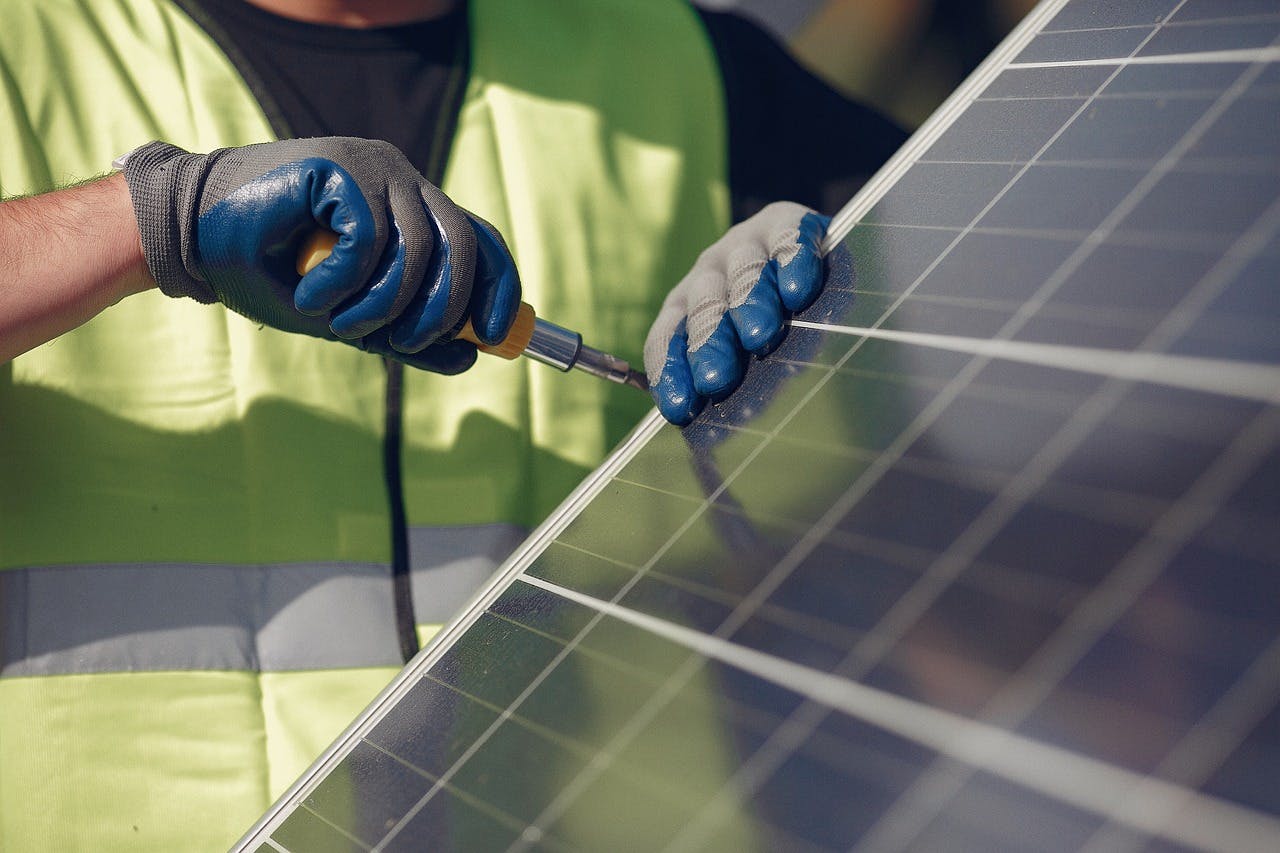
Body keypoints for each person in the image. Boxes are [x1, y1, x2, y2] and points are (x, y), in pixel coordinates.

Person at [0, 0, 905, 848]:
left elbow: (989, 341)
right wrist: (145, 219)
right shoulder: (28, 48)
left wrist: (847, 281)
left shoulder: (687, 66)